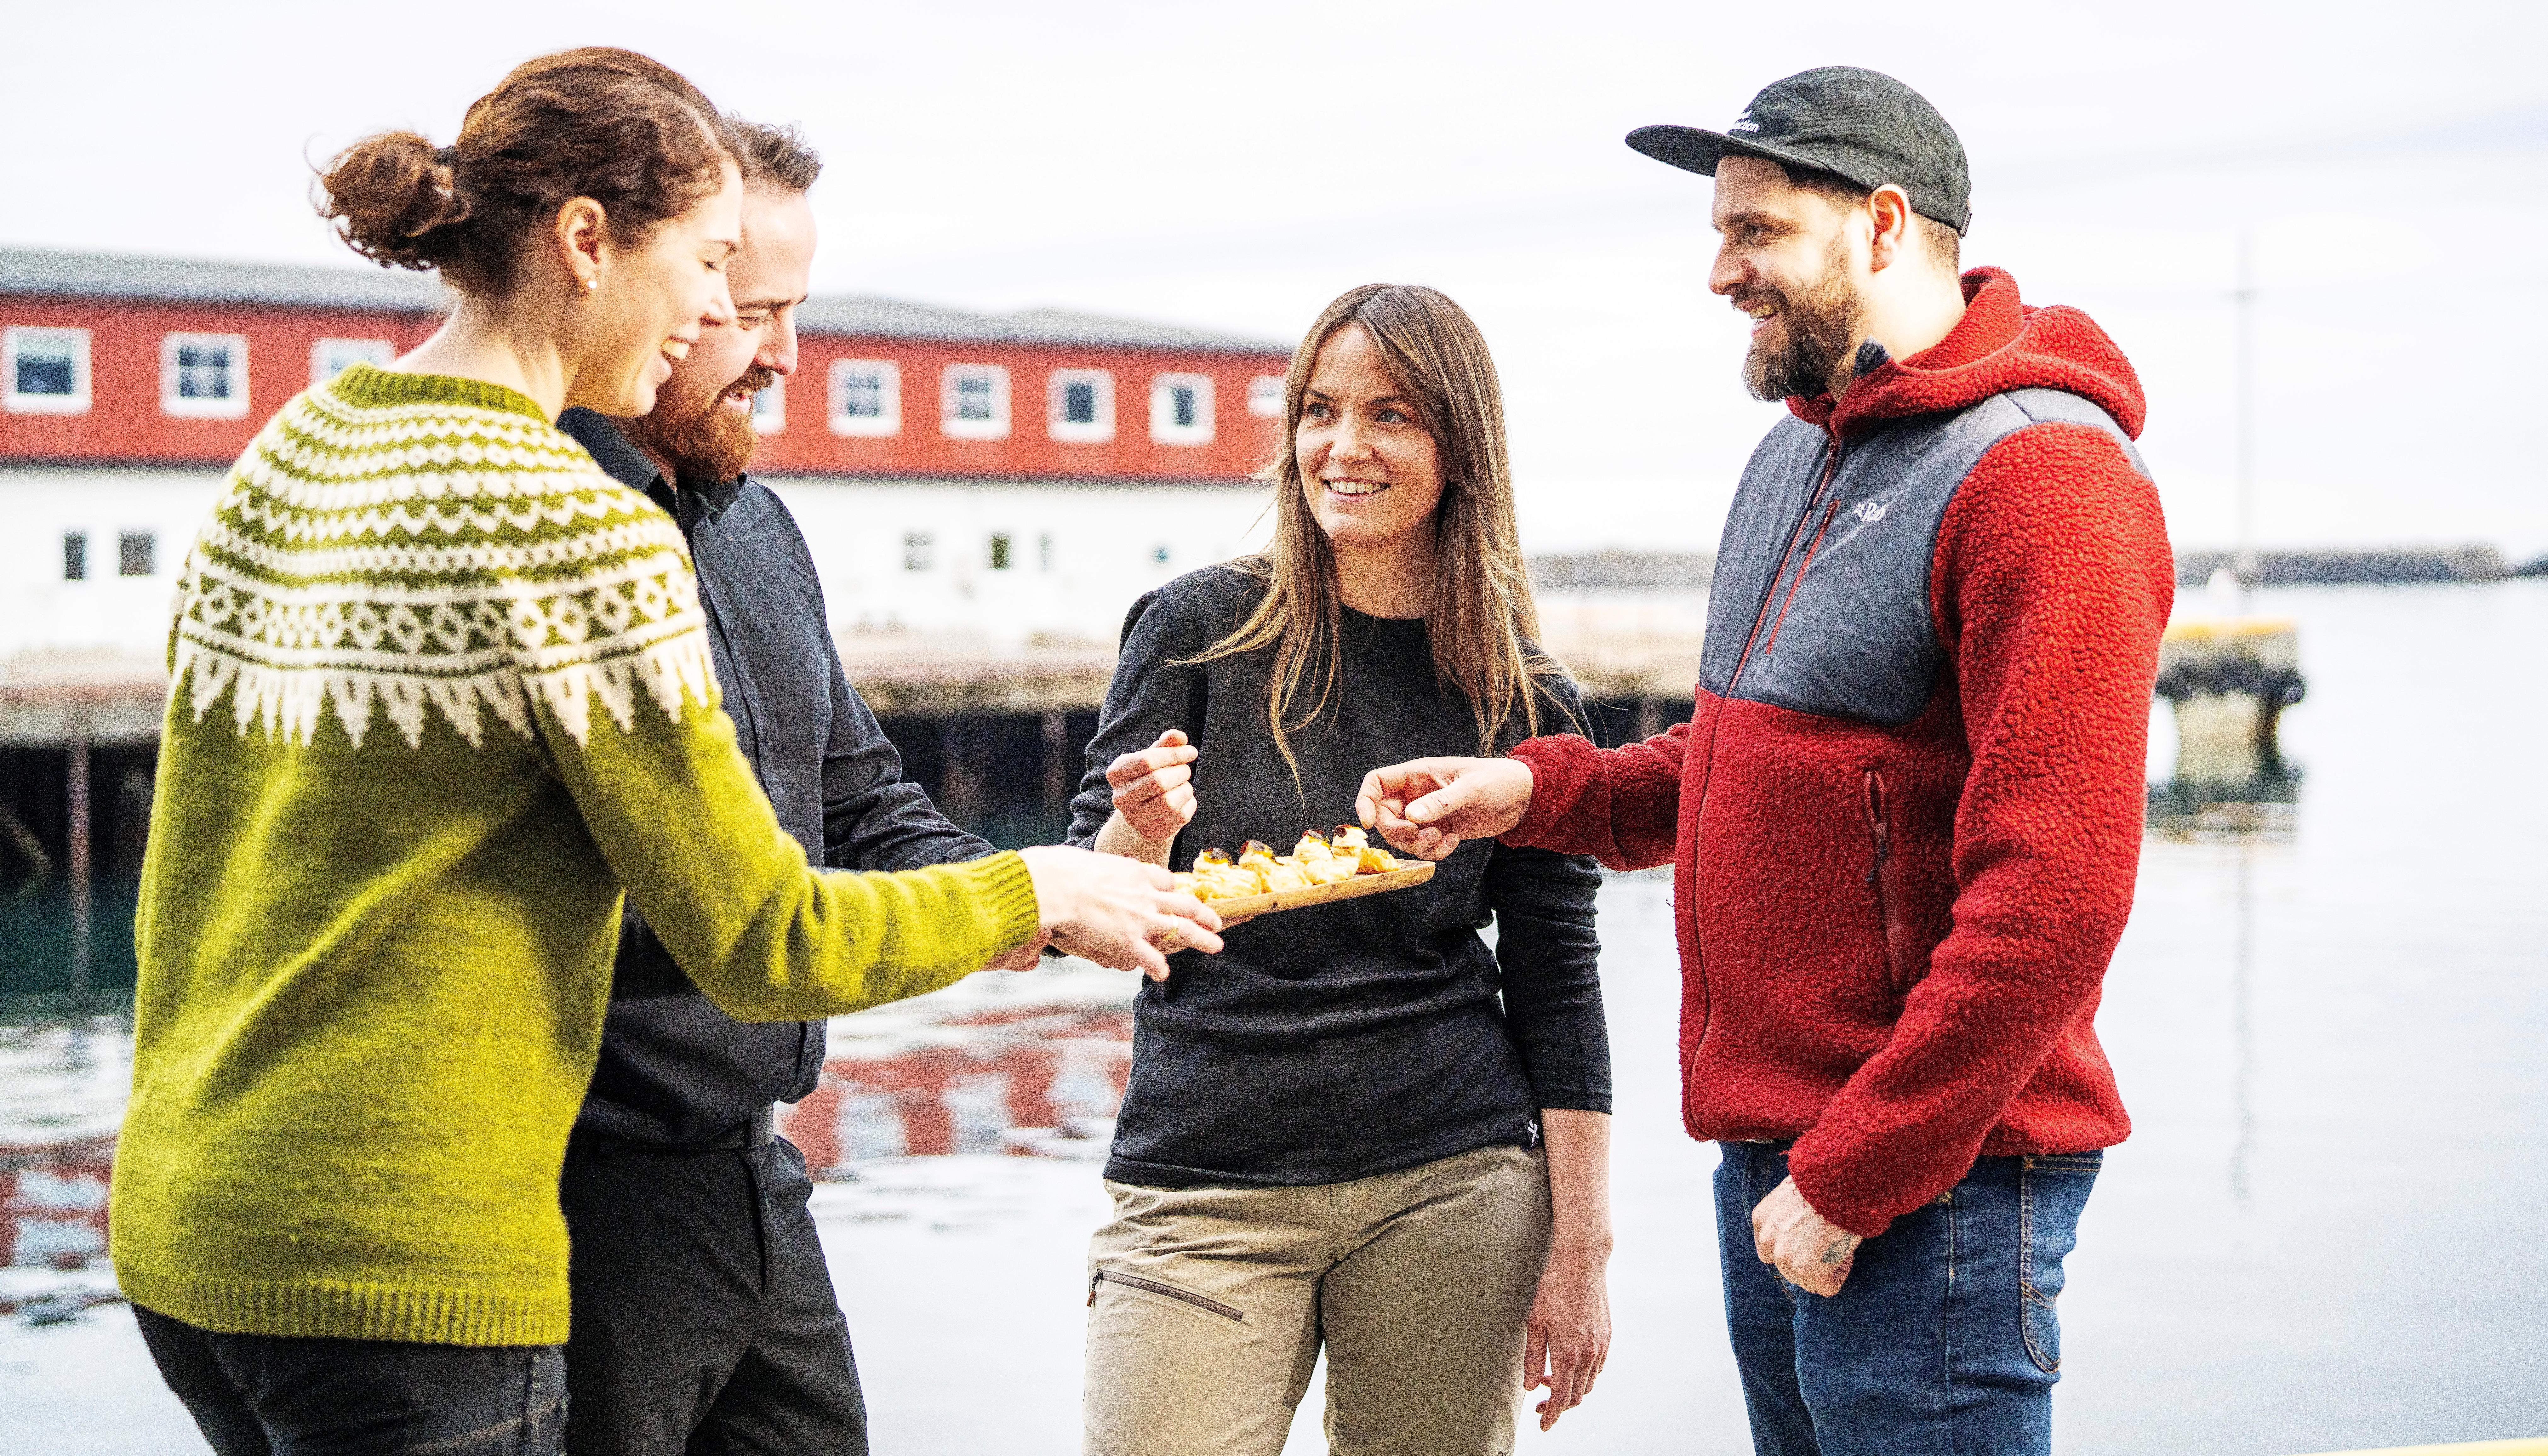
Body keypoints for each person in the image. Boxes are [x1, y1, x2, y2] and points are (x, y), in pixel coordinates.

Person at [111, 48, 1220, 1456]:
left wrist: (1052, 885)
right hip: (412, 1250)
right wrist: (1040, 891)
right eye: (713, 269)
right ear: (586, 242)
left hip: (194, 1223)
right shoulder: (570, 520)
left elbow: (183, 884)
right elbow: (759, 936)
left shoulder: (288, 453)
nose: (724, 313)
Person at [1357, 67, 2172, 1455]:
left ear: (1886, 225)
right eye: (1718, 232)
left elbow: (2057, 895)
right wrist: (1538, 791)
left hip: (1934, 1189)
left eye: (1758, 233)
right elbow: (1738, 767)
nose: (1721, 272)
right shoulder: (1792, 463)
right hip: (1786, 1164)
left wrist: (1858, 1174)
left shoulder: (2046, 478)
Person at [1070, 283, 1613, 1456]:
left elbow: (1559, 980)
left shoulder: (1523, 696)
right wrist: (1142, 833)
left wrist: (1581, 1250)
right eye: (1319, 410)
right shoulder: (1194, 629)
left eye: (1392, 416)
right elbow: (1087, 903)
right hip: (1204, 1175)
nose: (1343, 447)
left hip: (1453, 1176)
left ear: (1459, 448)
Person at [547, 116, 1000, 1456]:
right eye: (750, 313)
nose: (786, 355)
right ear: (649, 285)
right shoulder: (538, 528)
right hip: (577, 1202)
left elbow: (857, 803)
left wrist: (1043, 894)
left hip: (757, 1178)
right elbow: (680, 913)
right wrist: (1014, 899)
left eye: (794, 312)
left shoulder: (757, 523)